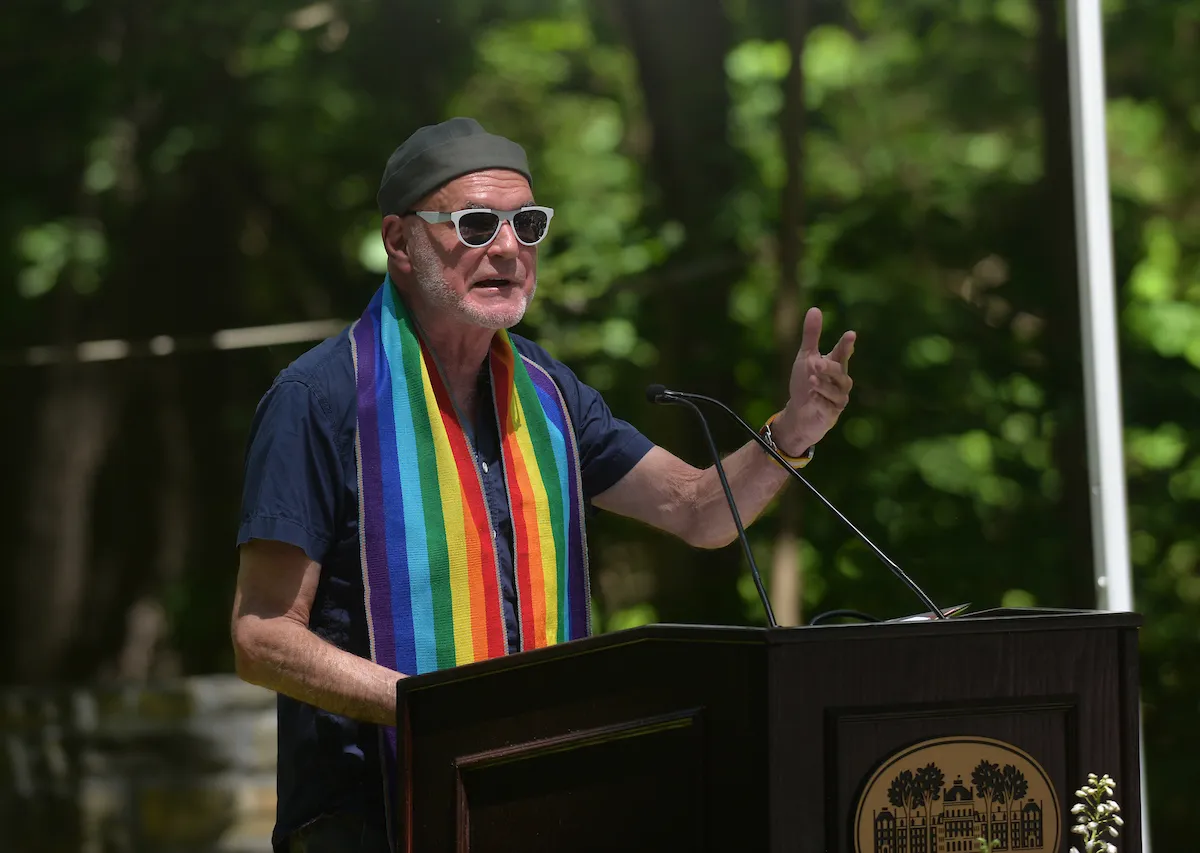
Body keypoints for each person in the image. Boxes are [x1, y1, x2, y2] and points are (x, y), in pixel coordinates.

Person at [231, 117, 855, 853]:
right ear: (399, 242)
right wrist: (438, 710)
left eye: (526, 224)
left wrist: (792, 433)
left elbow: (698, 512)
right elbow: (262, 635)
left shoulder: (547, 391)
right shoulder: (322, 399)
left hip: (529, 805)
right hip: (369, 818)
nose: (508, 248)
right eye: (475, 223)